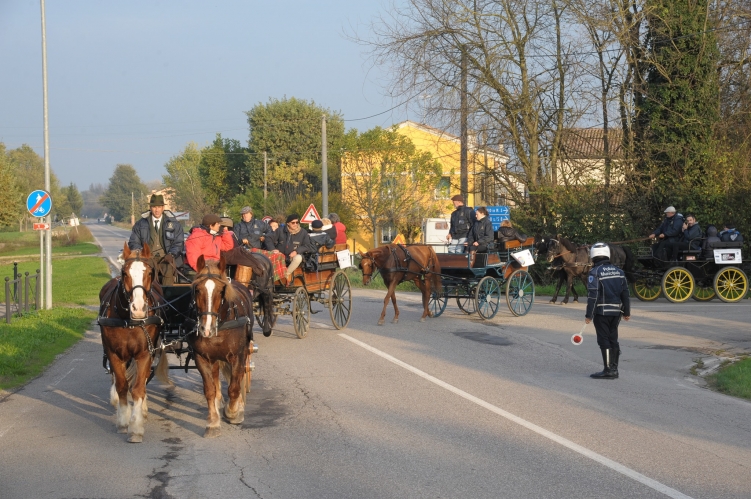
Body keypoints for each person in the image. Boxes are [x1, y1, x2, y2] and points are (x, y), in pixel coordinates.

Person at [584, 243, 631, 380]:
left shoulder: (595, 272)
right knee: (613, 338)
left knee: (603, 339)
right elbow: (625, 293)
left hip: (601, 312)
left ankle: (608, 370)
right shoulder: (619, 271)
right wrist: (627, 312)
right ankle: (614, 369)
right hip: (617, 312)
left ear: (593, 255)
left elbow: (593, 295)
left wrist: (589, 315)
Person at [185, 214, 269, 283]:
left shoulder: (215, 235)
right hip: (204, 268)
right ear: (211, 225)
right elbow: (194, 258)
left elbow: (228, 247)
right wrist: (205, 270)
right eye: (218, 224)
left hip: (216, 265)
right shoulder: (196, 237)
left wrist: (225, 233)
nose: (219, 226)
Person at [128, 194, 184, 285]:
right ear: (150, 208)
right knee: (146, 272)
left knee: (168, 270)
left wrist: (172, 254)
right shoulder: (140, 224)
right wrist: (143, 253)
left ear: (163, 208)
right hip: (148, 258)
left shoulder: (174, 224)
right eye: (154, 207)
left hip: (166, 258)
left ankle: (166, 296)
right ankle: (148, 296)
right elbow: (133, 242)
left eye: (159, 207)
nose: (157, 210)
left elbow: (179, 242)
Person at [270, 214, 316, 284]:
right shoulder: (280, 230)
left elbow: (307, 245)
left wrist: (296, 251)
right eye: (293, 223)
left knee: (298, 258)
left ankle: (286, 274)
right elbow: (268, 238)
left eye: (297, 222)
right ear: (288, 223)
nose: (295, 224)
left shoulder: (303, 232)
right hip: (280, 256)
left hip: (293, 257)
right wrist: (272, 249)